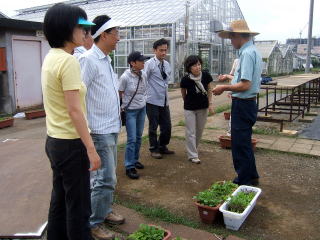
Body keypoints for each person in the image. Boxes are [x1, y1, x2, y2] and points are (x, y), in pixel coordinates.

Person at [42, 3, 100, 240]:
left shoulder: (52, 57)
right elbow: (75, 111)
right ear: (66, 28)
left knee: (60, 201)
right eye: (81, 27)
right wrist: (91, 149)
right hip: (71, 144)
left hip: (54, 141)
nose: (86, 33)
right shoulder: (69, 62)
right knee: (79, 207)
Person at [79, 15, 125, 240]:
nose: (119, 38)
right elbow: (78, 96)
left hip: (111, 126)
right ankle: (93, 223)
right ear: (104, 35)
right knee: (104, 178)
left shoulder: (106, 59)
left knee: (109, 176)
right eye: (116, 33)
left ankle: (104, 211)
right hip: (98, 130)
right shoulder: (88, 60)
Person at [212, 19, 262, 186]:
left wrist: (224, 87)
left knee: (240, 145)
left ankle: (243, 180)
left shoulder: (247, 54)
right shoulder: (252, 51)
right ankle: (252, 175)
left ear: (239, 36)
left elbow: (246, 84)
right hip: (247, 103)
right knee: (244, 142)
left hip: (243, 104)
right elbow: (244, 80)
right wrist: (230, 81)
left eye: (231, 38)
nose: (231, 42)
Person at [119, 51, 149, 179]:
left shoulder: (144, 74)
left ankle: (135, 160)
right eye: (141, 60)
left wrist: (144, 101)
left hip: (142, 108)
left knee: (138, 136)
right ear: (132, 63)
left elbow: (144, 90)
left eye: (143, 60)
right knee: (131, 139)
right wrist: (122, 107)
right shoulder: (125, 77)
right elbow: (119, 92)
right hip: (130, 111)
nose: (143, 62)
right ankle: (129, 166)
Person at [180, 55, 214, 164]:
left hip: (203, 107)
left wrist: (210, 103)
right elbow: (183, 92)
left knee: (199, 130)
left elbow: (209, 89)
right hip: (189, 108)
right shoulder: (185, 79)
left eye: (199, 64)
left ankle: (193, 148)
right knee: (191, 131)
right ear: (189, 67)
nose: (197, 67)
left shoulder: (206, 76)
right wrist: (187, 102)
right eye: (194, 65)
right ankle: (193, 155)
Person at [144, 38, 174, 159]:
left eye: (165, 50)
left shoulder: (166, 65)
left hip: (164, 100)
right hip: (152, 100)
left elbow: (166, 81)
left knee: (167, 126)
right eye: (161, 50)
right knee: (153, 126)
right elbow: (144, 80)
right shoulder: (149, 64)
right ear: (154, 50)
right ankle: (153, 148)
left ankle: (162, 146)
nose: (163, 53)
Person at [218, 58, 239, 136]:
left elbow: (240, 81)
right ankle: (230, 134)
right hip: (236, 95)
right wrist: (230, 90)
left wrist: (226, 77)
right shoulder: (236, 61)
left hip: (243, 96)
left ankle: (233, 135)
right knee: (233, 117)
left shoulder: (248, 58)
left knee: (239, 120)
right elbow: (233, 76)